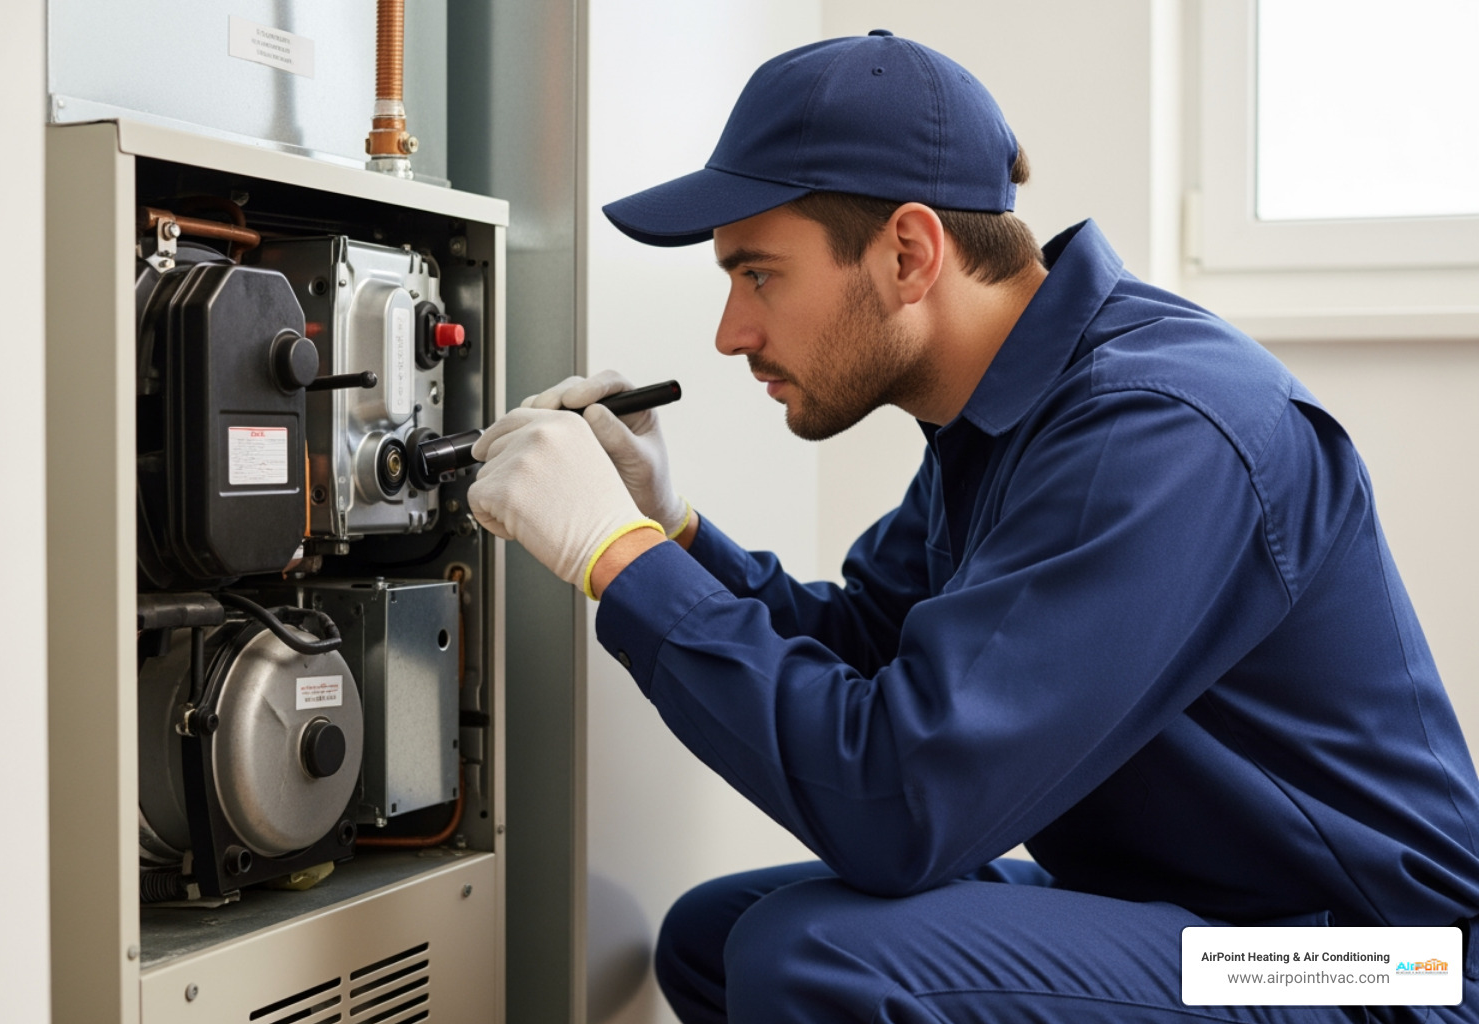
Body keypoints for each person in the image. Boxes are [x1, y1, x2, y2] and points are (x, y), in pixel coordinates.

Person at [468, 30, 1479, 1024]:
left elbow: (898, 800)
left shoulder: (1160, 429)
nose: (731, 332)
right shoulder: (1013, 411)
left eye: (759, 273)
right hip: (1207, 918)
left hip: (1363, 961)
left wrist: (618, 559)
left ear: (910, 252)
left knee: (815, 959)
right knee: (718, 934)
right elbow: (874, 653)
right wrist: (674, 531)